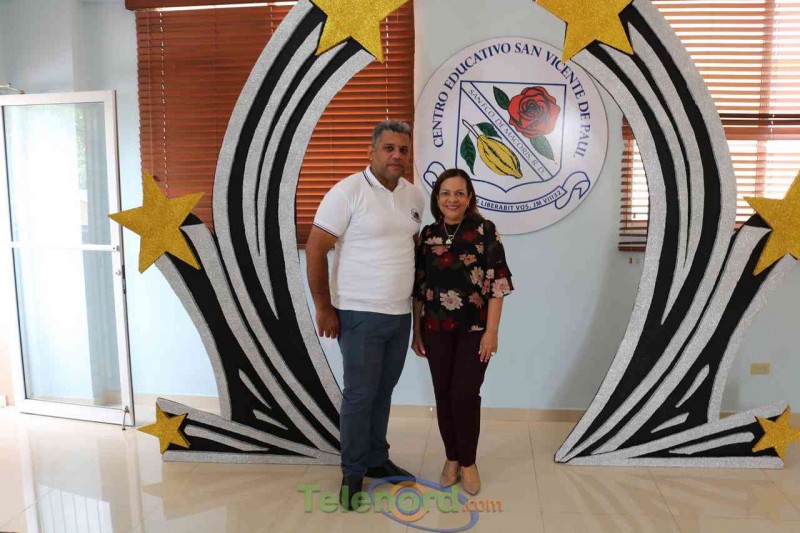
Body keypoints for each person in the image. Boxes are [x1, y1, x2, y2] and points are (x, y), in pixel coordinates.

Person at [305, 120, 425, 510]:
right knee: (359, 394)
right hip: (358, 314)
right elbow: (315, 250)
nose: (397, 156)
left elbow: (411, 249)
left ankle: (376, 458)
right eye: (389, 148)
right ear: (371, 151)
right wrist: (324, 307)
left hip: (398, 314)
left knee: (382, 392)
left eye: (403, 149)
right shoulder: (347, 192)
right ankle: (352, 472)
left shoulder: (413, 196)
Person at [411, 168, 513, 496]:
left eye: (459, 193)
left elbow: (498, 285)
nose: (452, 199)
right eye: (445, 193)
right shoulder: (428, 235)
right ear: (436, 198)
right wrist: (416, 332)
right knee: (443, 394)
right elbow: (419, 288)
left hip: (475, 329)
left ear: (469, 198)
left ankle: (468, 462)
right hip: (435, 328)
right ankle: (451, 457)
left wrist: (492, 332)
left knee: (465, 395)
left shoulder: (485, 231)